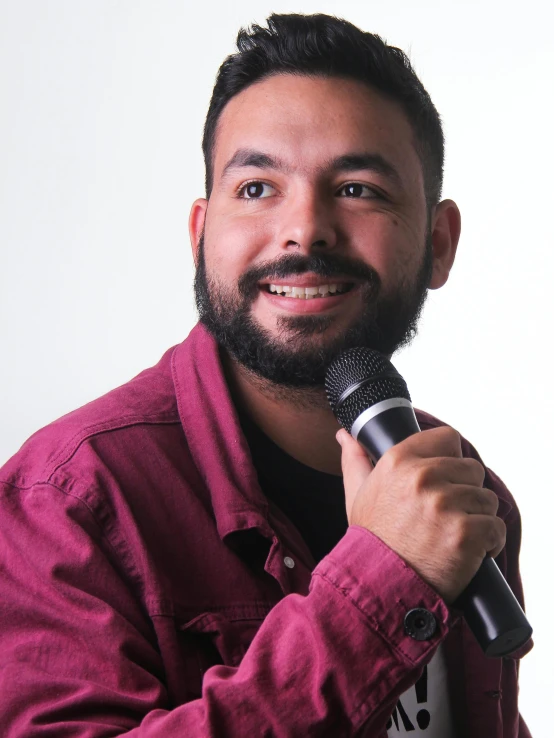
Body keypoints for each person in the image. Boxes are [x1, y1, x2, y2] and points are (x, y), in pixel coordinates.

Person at [0, 13, 532, 737]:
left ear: (438, 245)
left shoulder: (460, 488)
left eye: (358, 189)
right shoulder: (71, 496)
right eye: (256, 188)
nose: (305, 228)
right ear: (200, 236)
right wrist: (383, 579)